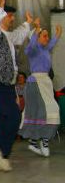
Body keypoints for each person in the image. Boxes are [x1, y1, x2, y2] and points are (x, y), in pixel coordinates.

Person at [0, 0, 32, 172]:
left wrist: (28, 23)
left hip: (8, 84)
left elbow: (20, 34)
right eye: (10, 16)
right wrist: (0, 5)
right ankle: (2, 153)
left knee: (6, 119)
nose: (12, 19)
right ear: (1, 17)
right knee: (13, 116)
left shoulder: (9, 37)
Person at [20, 20, 62, 157]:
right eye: (44, 35)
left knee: (43, 113)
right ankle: (41, 141)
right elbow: (32, 44)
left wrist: (57, 35)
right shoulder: (33, 50)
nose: (47, 38)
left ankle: (37, 141)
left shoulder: (45, 49)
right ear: (37, 37)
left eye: (47, 36)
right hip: (35, 84)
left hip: (45, 83)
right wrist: (36, 29)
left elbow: (52, 43)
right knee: (45, 111)